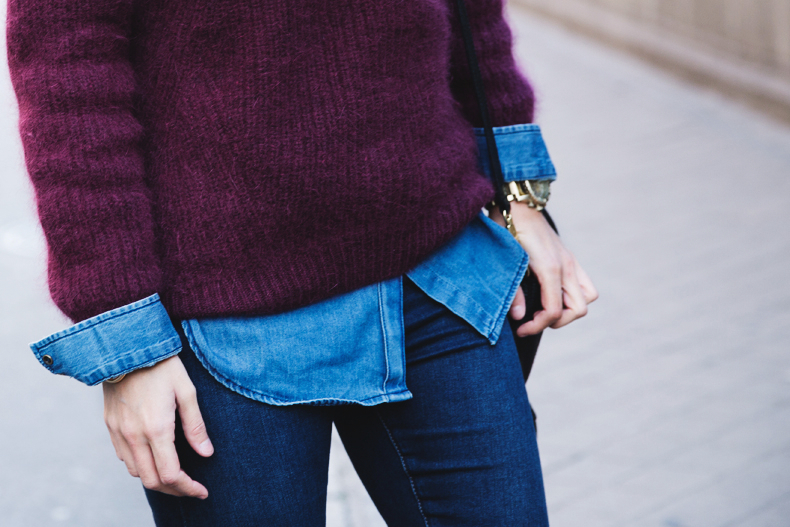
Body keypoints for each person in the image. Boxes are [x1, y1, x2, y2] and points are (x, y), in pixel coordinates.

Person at [7, 0, 597, 525]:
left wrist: (518, 191)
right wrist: (126, 340)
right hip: (225, 322)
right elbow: (70, 81)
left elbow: (473, 15)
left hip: (439, 275)